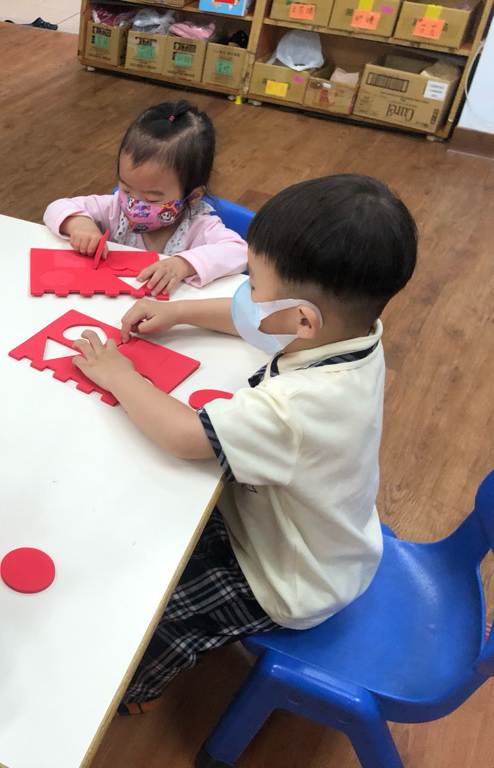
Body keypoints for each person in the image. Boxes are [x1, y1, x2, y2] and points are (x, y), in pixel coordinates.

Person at [70, 174, 417, 713]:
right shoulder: (352, 332)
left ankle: (132, 692)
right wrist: (179, 312)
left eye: (253, 286)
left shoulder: (297, 407)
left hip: (286, 577)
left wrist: (118, 375)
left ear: (304, 319)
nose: (245, 296)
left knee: (152, 615)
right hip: (308, 528)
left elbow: (185, 436)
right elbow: (259, 322)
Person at [44, 100, 247, 296]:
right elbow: (58, 206)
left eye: (151, 199)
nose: (134, 205)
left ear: (192, 196)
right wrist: (80, 225)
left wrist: (184, 264)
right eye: (126, 190)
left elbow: (240, 252)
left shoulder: (198, 227)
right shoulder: (114, 209)